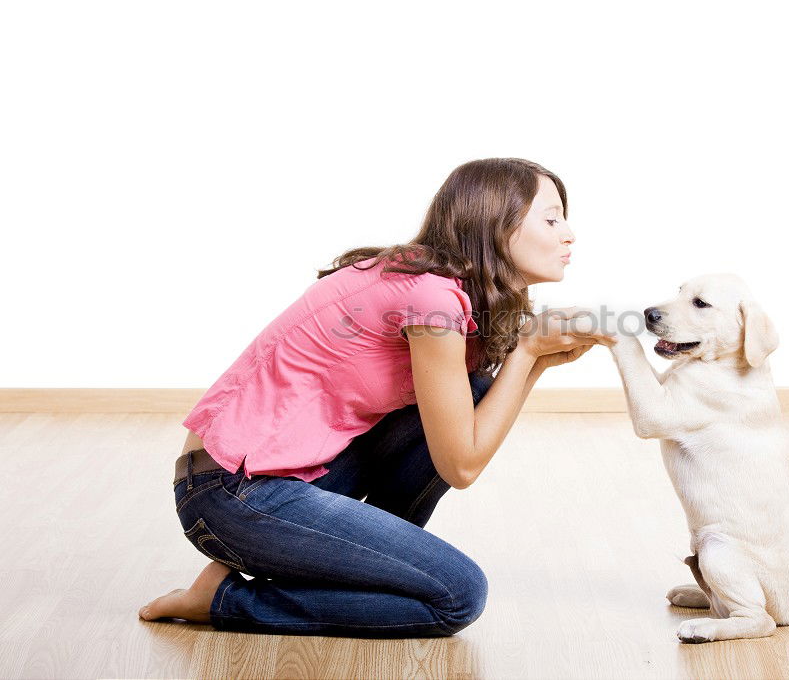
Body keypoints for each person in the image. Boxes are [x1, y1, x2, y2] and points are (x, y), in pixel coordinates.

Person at [138, 157, 616, 637]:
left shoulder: (438, 285)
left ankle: (367, 564)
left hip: (295, 477)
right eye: (551, 218)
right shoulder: (430, 297)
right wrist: (527, 352)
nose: (568, 233)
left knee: (472, 393)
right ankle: (226, 600)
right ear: (494, 223)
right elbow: (461, 465)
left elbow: (463, 430)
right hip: (229, 495)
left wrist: (534, 361)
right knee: (457, 597)